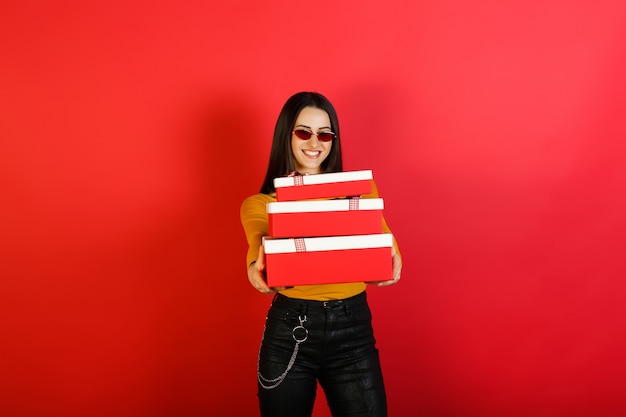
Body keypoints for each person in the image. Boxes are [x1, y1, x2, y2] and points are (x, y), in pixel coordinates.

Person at [240, 91, 402, 417]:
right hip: (291, 333)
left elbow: (387, 250)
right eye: (303, 132)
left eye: (325, 134)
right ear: (286, 135)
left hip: (353, 331)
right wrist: (260, 269)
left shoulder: (359, 193)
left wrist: (389, 260)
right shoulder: (261, 204)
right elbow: (258, 252)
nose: (315, 143)